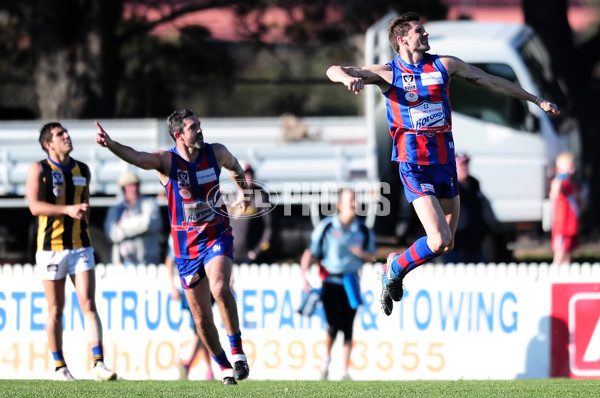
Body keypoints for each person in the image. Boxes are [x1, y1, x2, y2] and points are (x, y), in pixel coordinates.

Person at [326, 11, 560, 316]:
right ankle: (393, 269)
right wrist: (347, 78)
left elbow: (491, 81)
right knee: (437, 239)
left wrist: (535, 99)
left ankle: (396, 267)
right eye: (419, 31)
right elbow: (333, 69)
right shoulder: (387, 73)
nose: (426, 35)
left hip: (445, 163)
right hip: (414, 165)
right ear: (402, 39)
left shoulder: (444, 65)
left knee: (446, 244)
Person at [95, 109, 250, 385]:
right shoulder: (167, 161)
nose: (200, 131)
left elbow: (236, 168)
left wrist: (243, 192)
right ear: (178, 135)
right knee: (201, 319)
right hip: (187, 249)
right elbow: (138, 157)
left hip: (217, 235)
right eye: (193, 128)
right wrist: (110, 144)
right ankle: (224, 365)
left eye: (200, 125)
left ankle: (237, 350)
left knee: (219, 287)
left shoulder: (216, 152)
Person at [25, 122, 117, 381]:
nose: (66, 136)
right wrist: (67, 210)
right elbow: (34, 206)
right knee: (56, 309)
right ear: (48, 144)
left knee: (88, 303)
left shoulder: (82, 169)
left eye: (66, 132)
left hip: (81, 246)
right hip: (50, 249)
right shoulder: (38, 169)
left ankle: (98, 363)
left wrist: (81, 212)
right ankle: (59, 366)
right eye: (59, 134)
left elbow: (85, 204)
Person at [300, 189, 376, 380]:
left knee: (349, 326)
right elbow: (311, 252)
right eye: (350, 201)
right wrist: (304, 276)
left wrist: (363, 254)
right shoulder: (327, 227)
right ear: (340, 205)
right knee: (333, 325)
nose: (354, 204)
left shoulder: (363, 230)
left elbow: (373, 256)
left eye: (355, 201)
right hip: (331, 281)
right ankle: (326, 361)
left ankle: (345, 370)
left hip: (351, 282)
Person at [437, 152, 502, 264]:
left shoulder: (474, 184)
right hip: (455, 245)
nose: (465, 167)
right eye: (461, 164)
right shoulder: (447, 186)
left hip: (475, 244)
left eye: (466, 164)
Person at [165, 235, 214, 381]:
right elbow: (169, 260)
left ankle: (195, 366)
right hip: (191, 286)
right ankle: (199, 367)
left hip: (205, 284)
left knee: (202, 325)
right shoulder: (178, 230)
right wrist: (172, 286)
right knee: (201, 325)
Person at [103, 171, 163, 266]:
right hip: (122, 262)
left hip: (146, 261)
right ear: (123, 189)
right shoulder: (115, 209)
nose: (133, 189)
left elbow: (147, 224)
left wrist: (123, 225)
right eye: (129, 186)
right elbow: (111, 234)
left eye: (135, 185)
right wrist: (136, 228)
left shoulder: (150, 203)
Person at [228, 161, 273, 264]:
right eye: (244, 174)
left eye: (250, 173)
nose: (248, 177)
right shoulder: (230, 198)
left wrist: (257, 251)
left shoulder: (260, 198)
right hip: (232, 256)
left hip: (252, 259)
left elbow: (270, 227)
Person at [549, 151, 581, 265]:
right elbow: (554, 193)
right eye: (569, 166)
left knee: (568, 253)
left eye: (573, 166)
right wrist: (559, 178)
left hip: (570, 225)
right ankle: (554, 276)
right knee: (560, 253)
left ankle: (566, 280)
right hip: (561, 226)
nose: (572, 169)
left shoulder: (571, 183)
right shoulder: (560, 182)